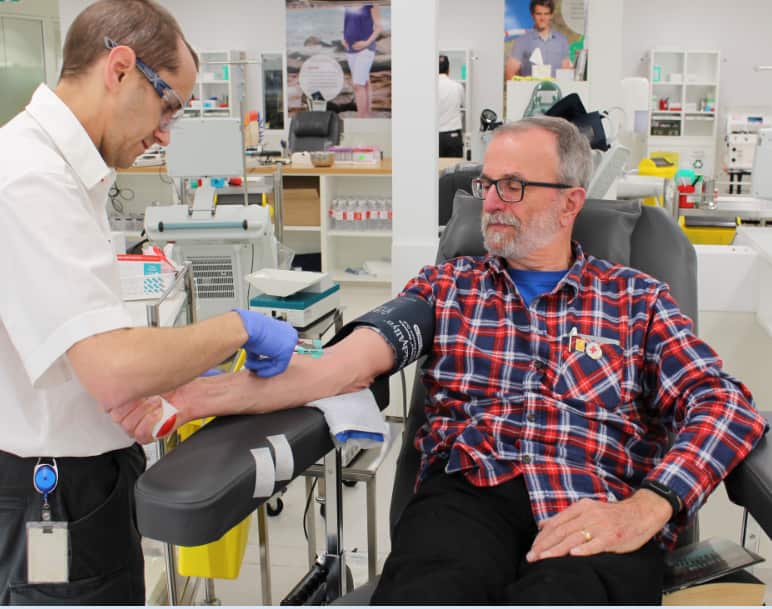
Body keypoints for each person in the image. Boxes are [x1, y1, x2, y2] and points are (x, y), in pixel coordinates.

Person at [117, 117, 767, 604]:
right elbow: (335, 367)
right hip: (468, 499)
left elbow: (726, 403)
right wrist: (192, 397)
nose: (491, 200)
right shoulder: (450, 287)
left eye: (515, 185)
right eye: (487, 182)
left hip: (593, 504)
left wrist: (651, 504)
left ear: (571, 200)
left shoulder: (636, 300)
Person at [0, 0, 298, 604]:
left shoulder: (57, 170)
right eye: (169, 106)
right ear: (119, 68)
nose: (165, 132)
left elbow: (77, 345)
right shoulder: (32, 179)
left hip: (77, 479)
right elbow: (113, 368)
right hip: (55, 495)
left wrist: (176, 366)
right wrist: (236, 328)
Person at [506, 0, 571, 79]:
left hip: (556, 90)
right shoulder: (522, 41)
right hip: (529, 90)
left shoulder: (562, 40)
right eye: (538, 14)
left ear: (551, 15)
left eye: (546, 14)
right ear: (532, 15)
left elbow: (566, 72)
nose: (542, 18)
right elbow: (510, 73)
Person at [342, 4, 382, 118]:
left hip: (366, 49)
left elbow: (378, 27)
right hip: (350, 50)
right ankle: (366, 114)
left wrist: (366, 43)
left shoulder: (371, 4)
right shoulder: (348, 4)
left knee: (357, 85)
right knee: (364, 82)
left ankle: (361, 117)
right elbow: (346, 24)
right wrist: (344, 38)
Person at [437, 54, 465, 158]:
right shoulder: (457, 87)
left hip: (435, 137)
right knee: (453, 171)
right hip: (453, 136)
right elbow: (463, 105)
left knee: (434, 171)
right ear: (449, 70)